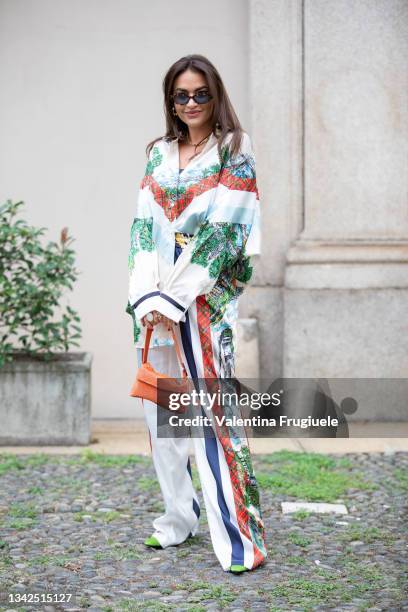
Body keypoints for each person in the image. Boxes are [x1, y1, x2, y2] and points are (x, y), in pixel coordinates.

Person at [126, 54, 267, 573]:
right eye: (180, 95)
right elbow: (143, 227)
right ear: (171, 100)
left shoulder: (235, 150)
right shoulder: (157, 153)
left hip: (202, 303)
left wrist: (175, 298)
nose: (190, 104)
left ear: (216, 96)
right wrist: (146, 298)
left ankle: (240, 541)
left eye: (200, 94)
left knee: (214, 418)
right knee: (161, 418)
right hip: (153, 306)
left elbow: (227, 229)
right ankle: (176, 519)